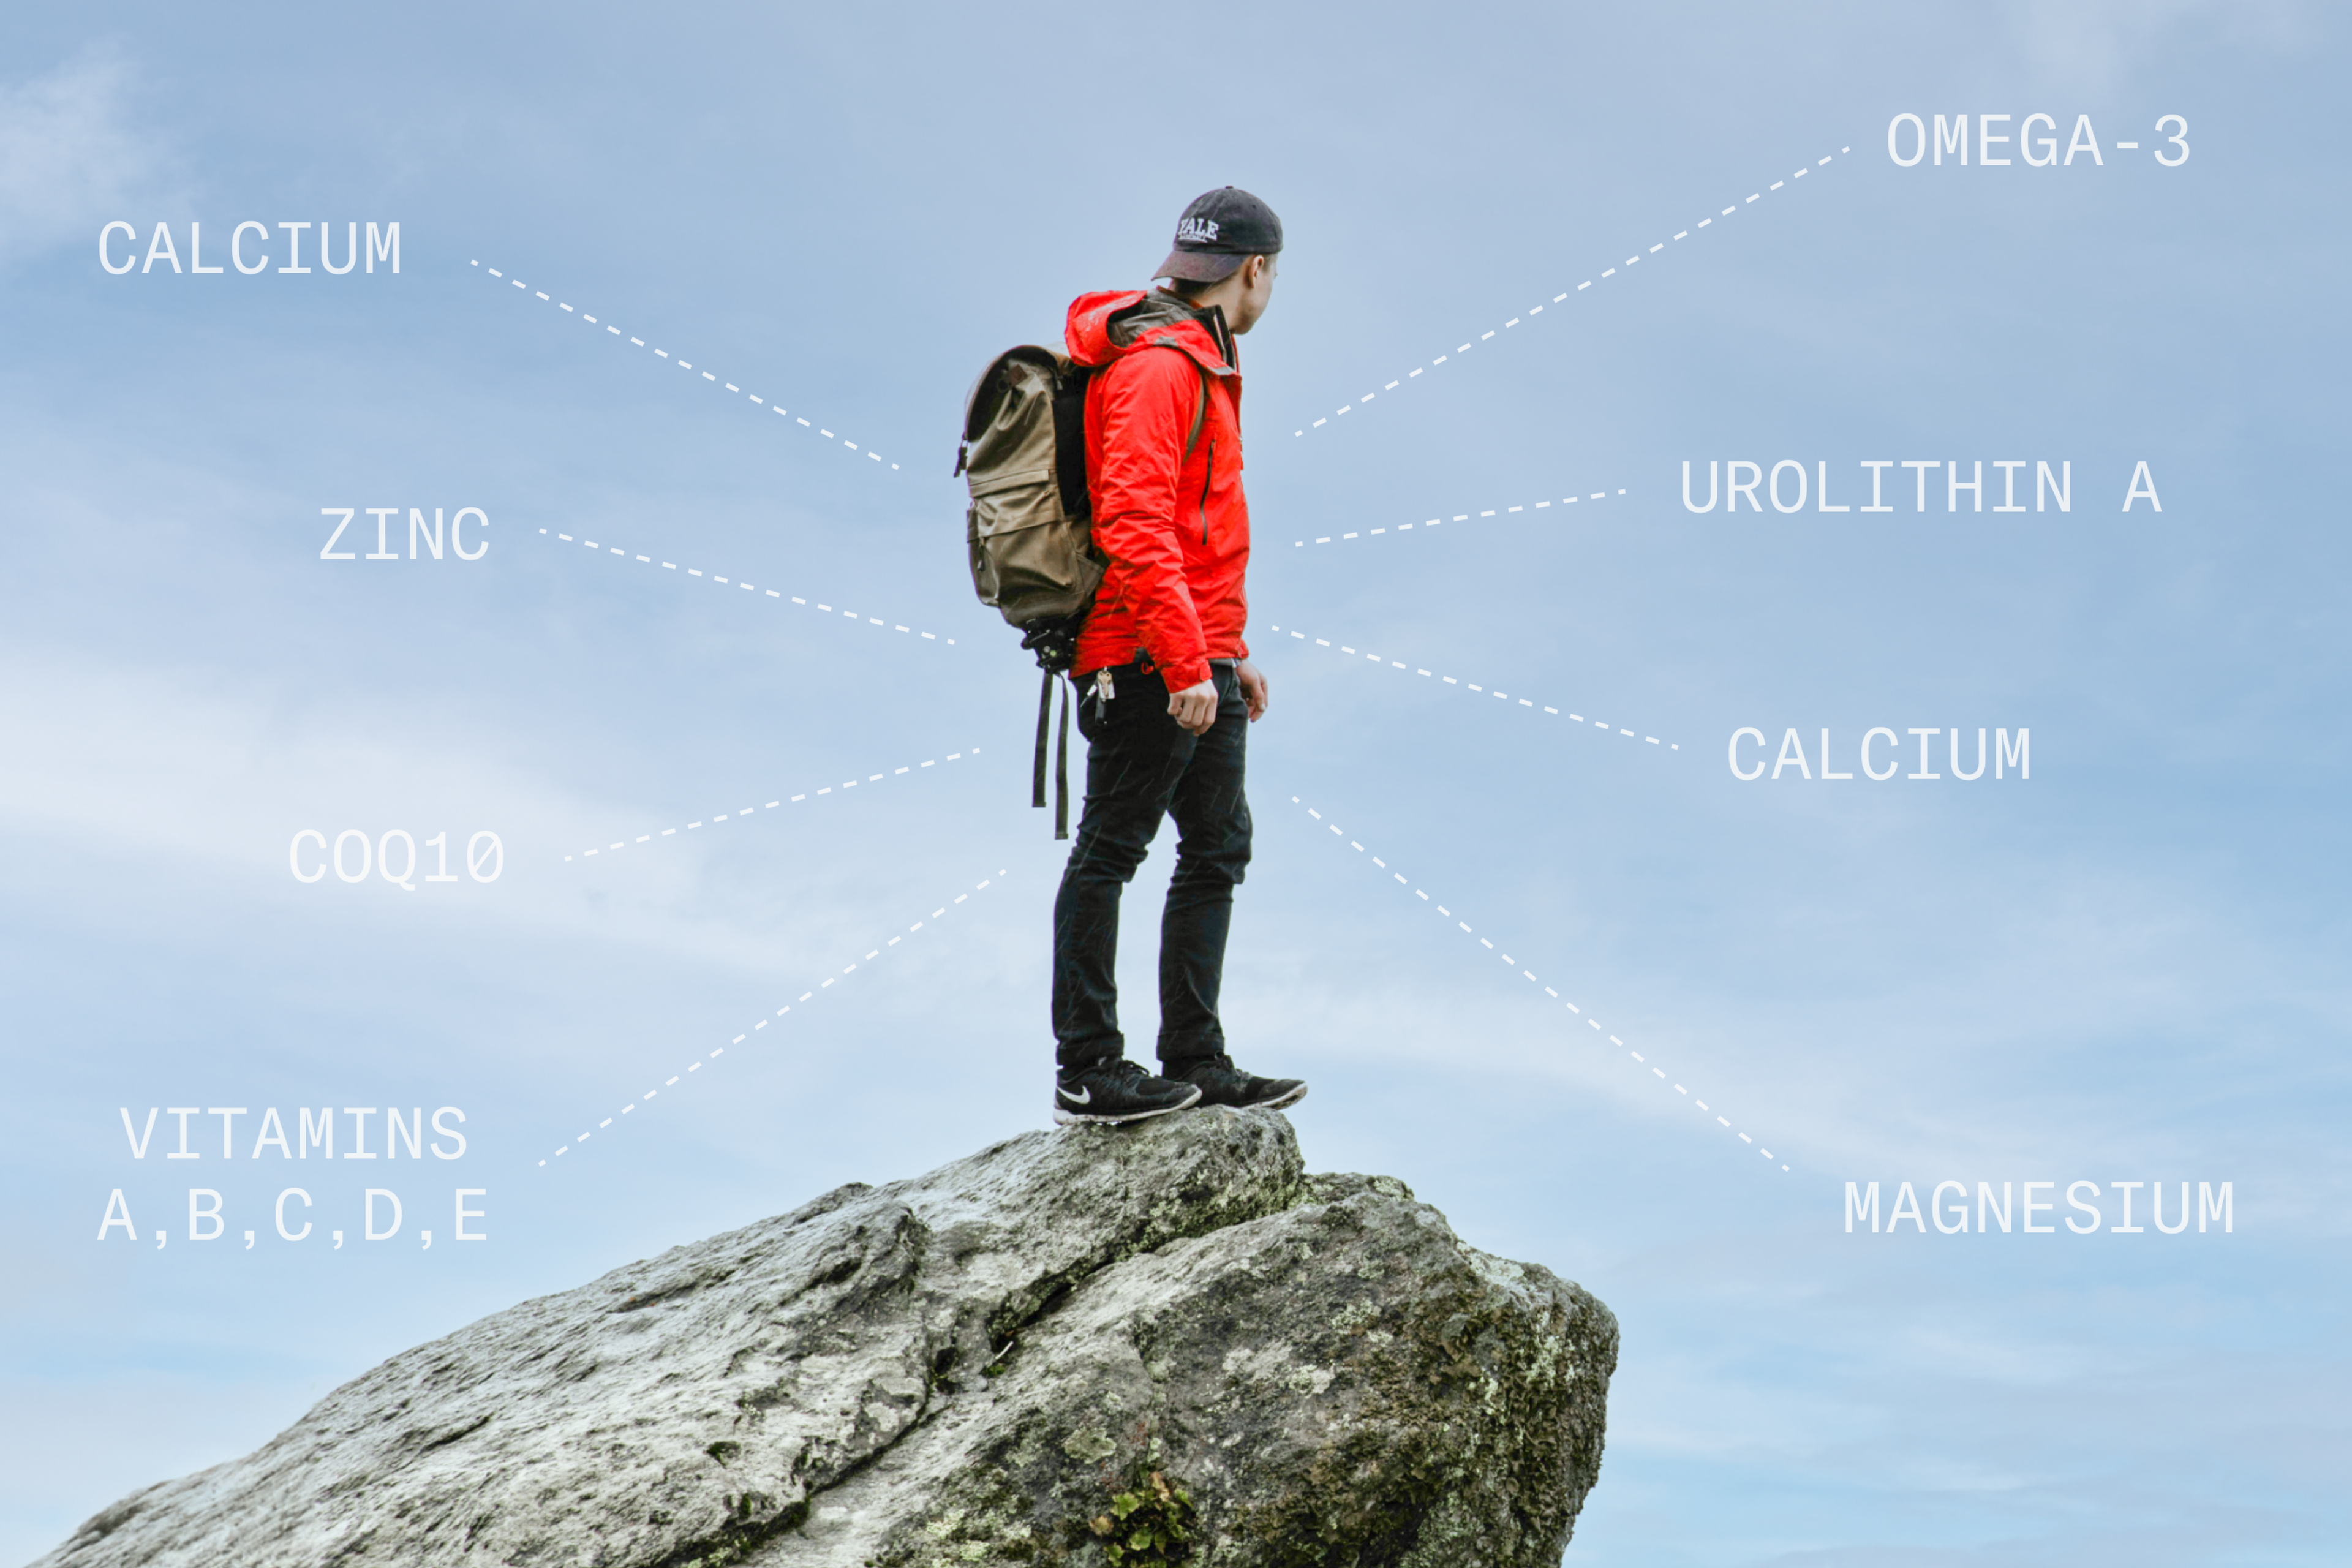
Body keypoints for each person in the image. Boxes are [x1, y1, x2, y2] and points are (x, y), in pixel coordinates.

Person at [1050, 187, 1308, 1127]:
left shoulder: (1206, 357)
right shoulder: (1160, 364)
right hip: (1141, 652)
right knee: (1111, 852)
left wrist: (1229, 655)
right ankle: (1087, 1067)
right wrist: (1185, 660)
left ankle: (1194, 1058)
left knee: (1217, 851)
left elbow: (1199, 533)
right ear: (1256, 270)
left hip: (1198, 650)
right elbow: (1135, 523)